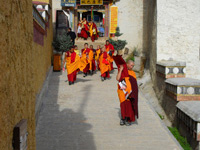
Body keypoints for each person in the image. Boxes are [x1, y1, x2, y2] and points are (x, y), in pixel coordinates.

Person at [115, 56, 138, 126]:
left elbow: (134, 83)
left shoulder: (132, 73)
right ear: (127, 64)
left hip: (129, 92)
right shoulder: (123, 71)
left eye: (133, 66)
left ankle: (128, 119)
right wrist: (121, 70)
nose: (132, 67)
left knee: (129, 106)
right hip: (122, 91)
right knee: (123, 105)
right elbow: (117, 78)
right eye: (131, 65)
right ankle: (122, 118)